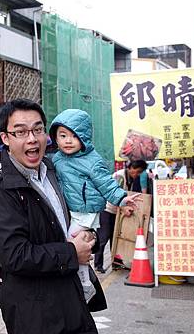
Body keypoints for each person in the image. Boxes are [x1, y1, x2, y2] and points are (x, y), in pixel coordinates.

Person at [0, 99, 101, 334]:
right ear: (6, 139)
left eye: (37, 129)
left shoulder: (56, 172)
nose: (32, 139)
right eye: (21, 132)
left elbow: (75, 216)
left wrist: (88, 234)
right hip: (34, 315)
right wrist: (72, 252)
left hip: (72, 300)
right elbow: (15, 256)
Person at [49, 109, 139, 295]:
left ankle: (84, 285)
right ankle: (78, 282)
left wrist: (121, 198)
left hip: (85, 212)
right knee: (69, 245)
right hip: (68, 210)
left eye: (74, 136)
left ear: (84, 138)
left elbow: (106, 183)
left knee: (75, 244)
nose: (67, 141)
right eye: (63, 135)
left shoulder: (92, 161)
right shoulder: (56, 159)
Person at [93, 159, 147, 273]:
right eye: (136, 171)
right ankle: (98, 265)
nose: (136, 174)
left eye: (139, 172)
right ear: (130, 167)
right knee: (103, 238)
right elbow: (113, 196)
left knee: (116, 237)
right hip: (107, 210)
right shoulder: (120, 176)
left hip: (117, 212)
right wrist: (123, 208)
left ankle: (116, 263)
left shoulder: (131, 178)